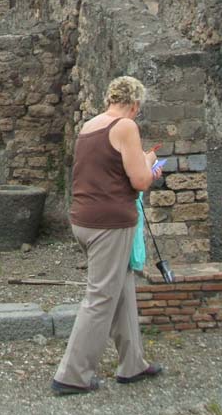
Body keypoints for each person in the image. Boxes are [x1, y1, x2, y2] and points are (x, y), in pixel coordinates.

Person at [51, 75, 164, 395]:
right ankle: (71, 375)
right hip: (110, 224)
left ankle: (133, 364)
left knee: (122, 286)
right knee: (101, 297)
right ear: (135, 104)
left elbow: (106, 171)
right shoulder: (126, 126)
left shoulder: (90, 126)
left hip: (84, 221)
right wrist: (151, 167)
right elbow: (139, 181)